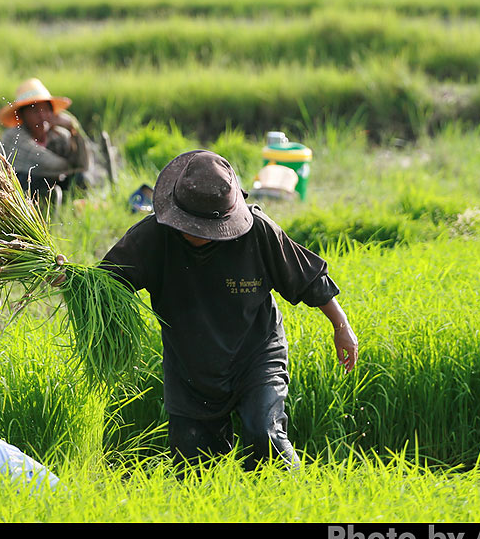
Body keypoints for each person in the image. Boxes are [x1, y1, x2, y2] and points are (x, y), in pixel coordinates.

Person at [98, 150, 359, 472]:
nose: (198, 233)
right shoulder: (151, 237)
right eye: (190, 225)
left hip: (256, 354)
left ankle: (292, 505)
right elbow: (105, 284)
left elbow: (309, 279)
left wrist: (341, 326)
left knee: (266, 436)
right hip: (188, 366)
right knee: (193, 464)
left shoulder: (259, 231)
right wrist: (70, 280)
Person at [0, 78, 108, 203]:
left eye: (46, 110)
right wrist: (73, 166)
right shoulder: (14, 136)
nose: (42, 115)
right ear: (23, 116)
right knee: (32, 180)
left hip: (53, 185)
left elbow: (84, 164)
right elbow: (44, 162)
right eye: (35, 111)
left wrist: (74, 129)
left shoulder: (59, 135)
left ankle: (69, 209)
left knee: (81, 178)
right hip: (25, 191)